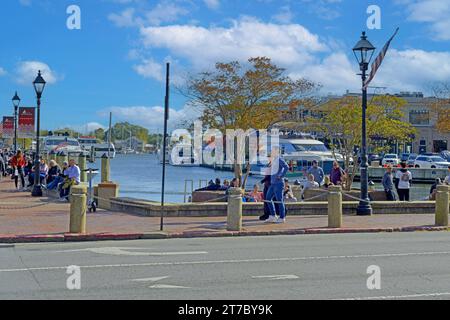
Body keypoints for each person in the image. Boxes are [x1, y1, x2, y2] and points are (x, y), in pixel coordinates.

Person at [265, 147, 289, 223]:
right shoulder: (274, 160)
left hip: (278, 184)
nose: (271, 153)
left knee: (279, 200)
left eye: (272, 151)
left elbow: (286, 167)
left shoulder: (279, 159)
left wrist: (281, 175)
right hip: (272, 183)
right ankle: (273, 216)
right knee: (268, 198)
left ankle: (282, 217)